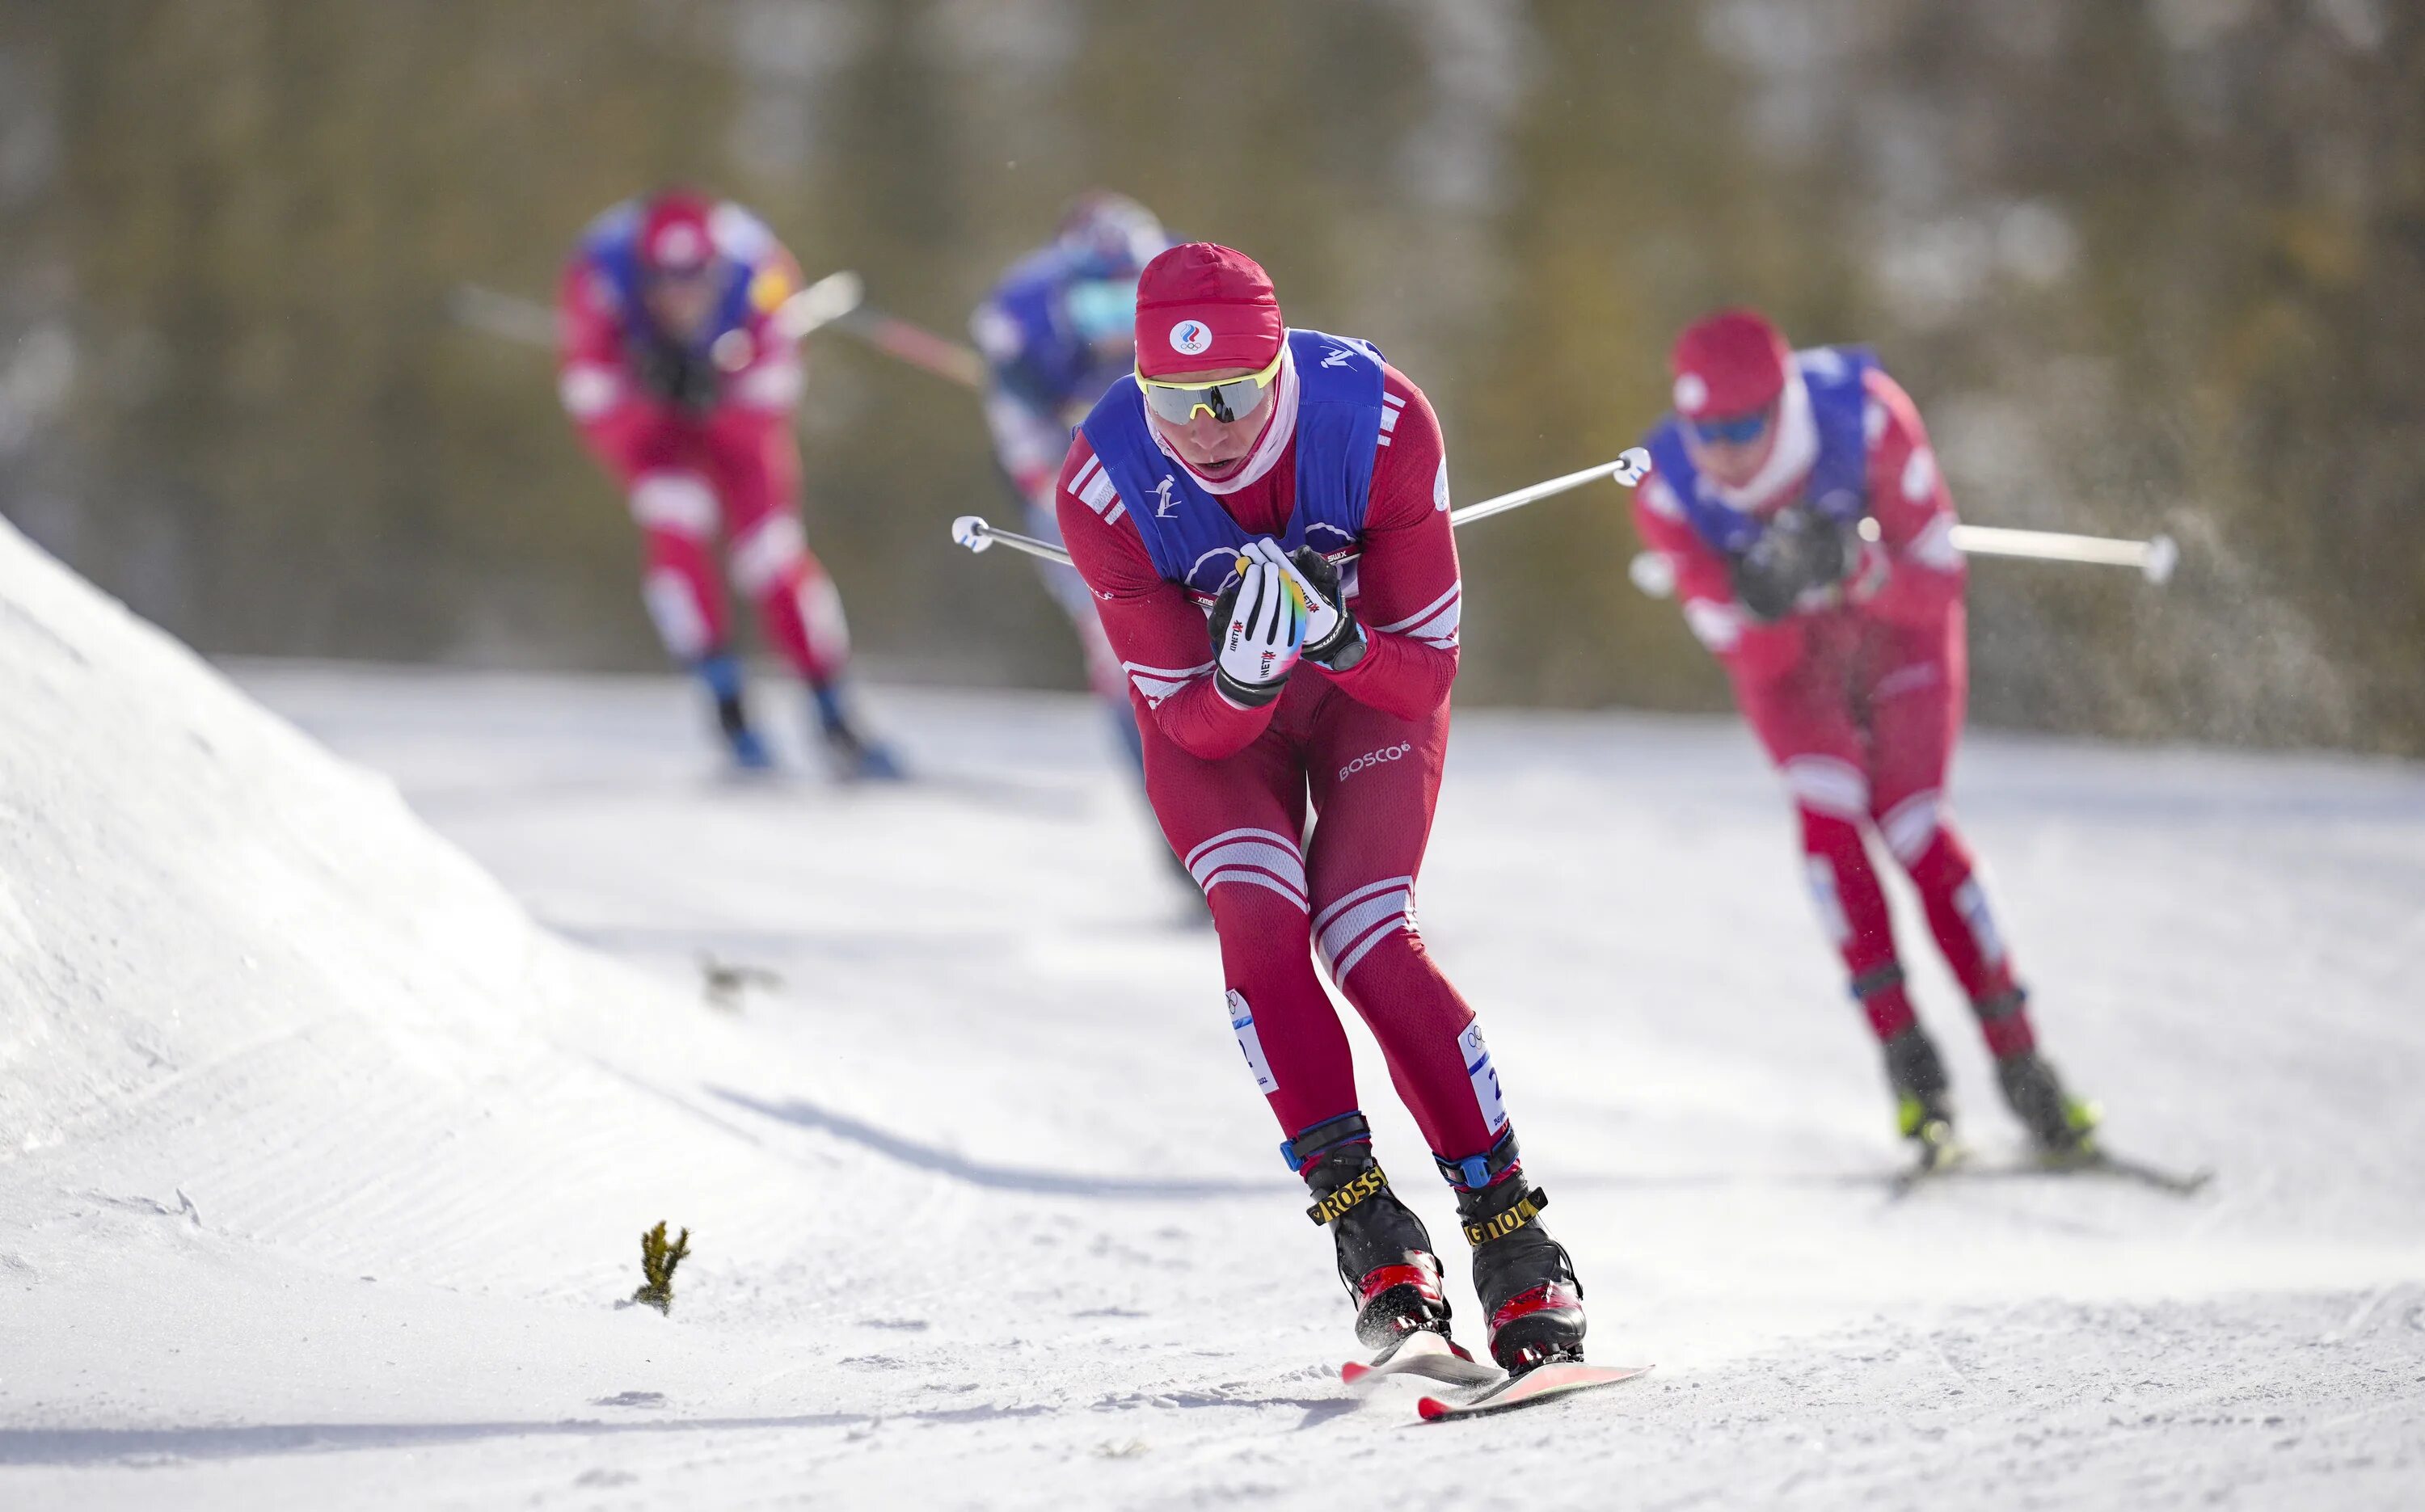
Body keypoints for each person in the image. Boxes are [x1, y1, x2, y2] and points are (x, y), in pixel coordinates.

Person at [1053, 242, 1590, 1373]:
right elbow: (1189, 726)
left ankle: (1513, 1237)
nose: (1204, 426)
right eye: (1172, 399)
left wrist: (1336, 636)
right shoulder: (1101, 484)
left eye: (1231, 396)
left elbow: (1426, 672)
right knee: (1259, 917)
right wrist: (1243, 677)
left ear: (1279, 370)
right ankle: (1371, 1233)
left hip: (1366, 701)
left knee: (1365, 932)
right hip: (1221, 728)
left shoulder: (1379, 420)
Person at [1630, 308, 2097, 1165]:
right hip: (1796, 672)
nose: (1722, 451)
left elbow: (1939, 582)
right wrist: (1765, 596)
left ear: (1782, 406)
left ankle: (2028, 1070)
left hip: (1898, 644)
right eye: (1704, 429)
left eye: (1741, 427)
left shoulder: (1869, 418)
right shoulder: (1665, 487)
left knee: (1914, 823)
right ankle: (1915, 1075)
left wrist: (1857, 566)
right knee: (1830, 821)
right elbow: (1751, 655)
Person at [557, 188, 899, 777]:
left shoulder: (762, 275)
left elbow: (775, 391)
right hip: (655, 437)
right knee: (676, 519)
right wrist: (651, 398)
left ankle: (834, 711)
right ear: (643, 276)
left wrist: (715, 396)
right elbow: (591, 402)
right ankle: (728, 708)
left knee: (770, 553)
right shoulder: (597, 281)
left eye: (695, 279)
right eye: (665, 280)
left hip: (739, 430)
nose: (681, 296)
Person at [969, 192, 1171, 776]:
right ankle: (1161, 796)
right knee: (1118, 643)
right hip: (1071, 485)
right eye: (1096, 311)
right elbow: (1029, 458)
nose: (1115, 331)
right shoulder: (1022, 329)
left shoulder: (1197, 296)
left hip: (1173, 473)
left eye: (1128, 307)